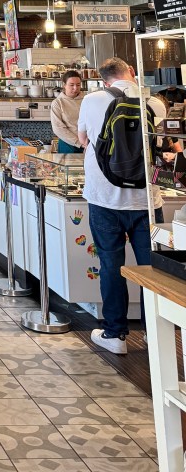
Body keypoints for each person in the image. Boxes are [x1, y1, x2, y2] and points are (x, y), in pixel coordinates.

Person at [78, 56, 163, 355]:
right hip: (146, 201)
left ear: (104, 80)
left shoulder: (92, 100)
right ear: (131, 72)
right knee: (153, 270)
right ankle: (156, 333)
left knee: (111, 267)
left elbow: (83, 138)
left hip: (104, 198)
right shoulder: (155, 103)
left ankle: (115, 335)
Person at [50, 70, 84, 153]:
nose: (75, 88)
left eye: (78, 85)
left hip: (87, 142)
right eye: (71, 85)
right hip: (68, 143)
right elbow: (58, 128)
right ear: (64, 85)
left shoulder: (86, 100)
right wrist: (79, 143)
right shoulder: (58, 103)